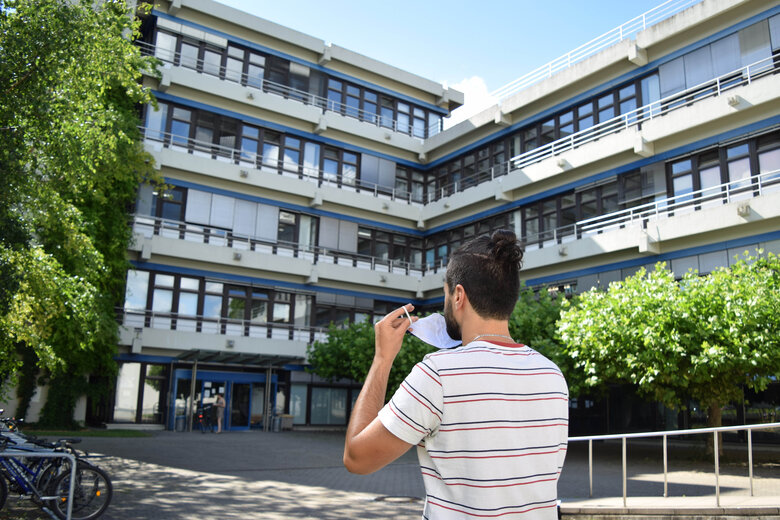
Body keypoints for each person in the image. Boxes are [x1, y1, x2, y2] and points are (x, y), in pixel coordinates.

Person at [343, 229, 569, 519]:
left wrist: (382, 359)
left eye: (446, 293)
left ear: (459, 295)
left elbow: (357, 459)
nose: (445, 303)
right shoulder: (552, 375)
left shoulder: (438, 375)